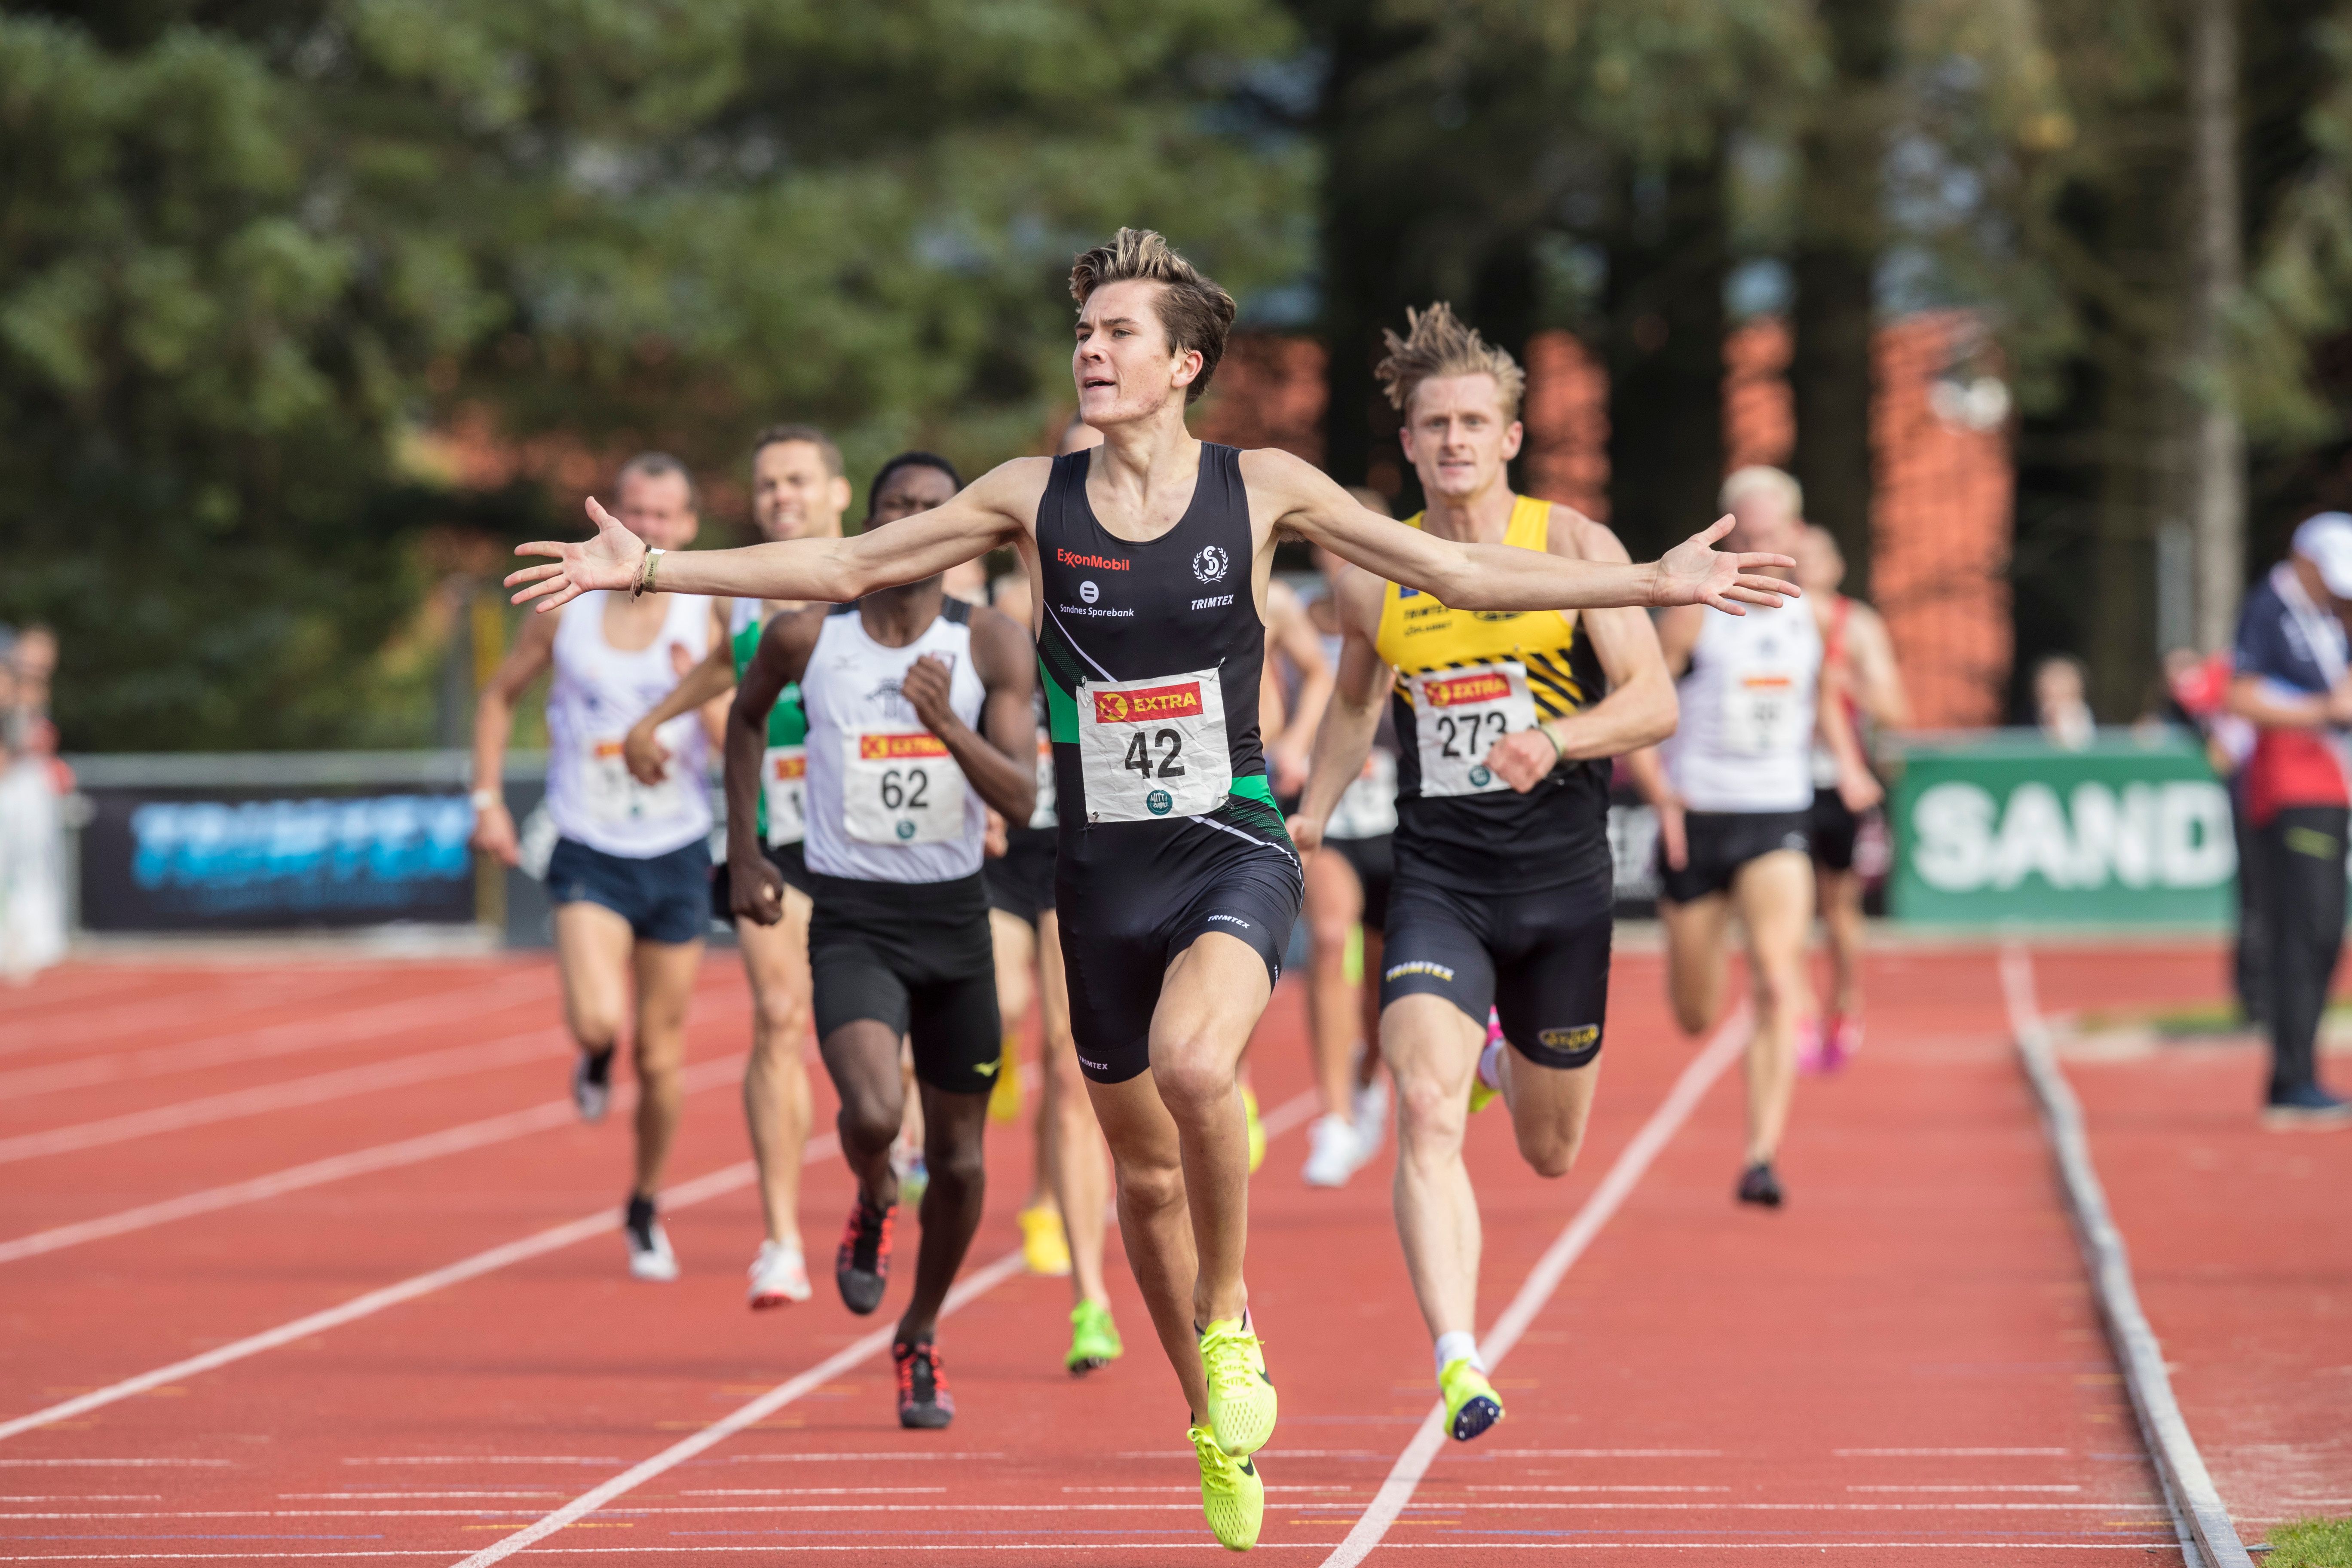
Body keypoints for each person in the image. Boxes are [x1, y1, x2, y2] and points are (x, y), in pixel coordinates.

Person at [505, 227, 1795, 1551]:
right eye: (1084, 333)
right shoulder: (1029, 496)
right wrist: (648, 567)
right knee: (1144, 1176)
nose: (1092, 351)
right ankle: (1205, 1417)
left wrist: (1652, 578)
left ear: (1185, 365)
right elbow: (842, 568)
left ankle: (1230, 1316)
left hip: (1232, 840)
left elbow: (1458, 570)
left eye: (1120, 334)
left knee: (1194, 1065)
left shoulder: (1261, 487)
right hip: (1101, 873)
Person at [1290, 303, 1678, 1445]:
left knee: (1552, 1153)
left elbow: (1652, 702)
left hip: (1562, 885)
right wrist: (1311, 814)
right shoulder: (1382, 572)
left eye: (1473, 423)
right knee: (1421, 1104)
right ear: (1409, 444)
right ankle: (1459, 1356)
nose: (1454, 440)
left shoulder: (1574, 549)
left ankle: (1505, 1062)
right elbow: (1355, 703)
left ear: (1510, 438)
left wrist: (1557, 739)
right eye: (1434, 425)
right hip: (1440, 882)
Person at [727, 450, 1040, 1427]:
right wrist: (743, 851)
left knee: (961, 1161)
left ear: (964, 533)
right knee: (871, 1112)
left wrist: (946, 722)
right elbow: (743, 721)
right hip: (853, 919)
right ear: (868, 525)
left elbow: (1021, 800)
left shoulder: (990, 643)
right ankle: (871, 1192)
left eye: (933, 510)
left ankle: (920, 1332)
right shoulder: (805, 636)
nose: (913, 523)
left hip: (955, 922)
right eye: (896, 507)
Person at [472, 452, 718, 1280]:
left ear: (687, 526)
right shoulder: (568, 608)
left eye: (664, 515)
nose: (646, 526)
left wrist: (697, 696)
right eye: (635, 510)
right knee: (597, 1020)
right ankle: (594, 1053)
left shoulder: (706, 614)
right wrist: (486, 800)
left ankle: (645, 1204)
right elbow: (498, 696)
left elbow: (735, 737)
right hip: (588, 842)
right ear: (613, 513)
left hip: (678, 847)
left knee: (662, 1055)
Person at [621, 426, 851, 1308]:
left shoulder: (873, 578)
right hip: (772, 836)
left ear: (838, 492)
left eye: (798, 480)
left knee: (883, 1042)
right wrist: (656, 718)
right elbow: (729, 663)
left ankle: (896, 1144)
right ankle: (782, 1241)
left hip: (877, 841)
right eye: (768, 484)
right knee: (779, 1015)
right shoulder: (743, 590)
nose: (782, 495)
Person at [1626, 466, 1877, 1210]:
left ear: (1794, 534)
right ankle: (1696, 971)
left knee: (1775, 974)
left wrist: (1850, 766)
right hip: (1699, 818)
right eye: (1746, 534)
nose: (1759, 547)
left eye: (1771, 532)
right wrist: (1660, 795)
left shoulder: (1815, 617)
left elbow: (1822, 697)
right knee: (1696, 1012)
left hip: (1777, 814)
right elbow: (1640, 700)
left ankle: (1760, 1156)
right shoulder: (1693, 615)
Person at [2224, 513, 2352, 1126]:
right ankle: (2293, 1078)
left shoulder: (2331, 615)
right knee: (2309, 928)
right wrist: (2324, 709)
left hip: (2331, 783)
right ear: (2305, 561)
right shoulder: (2270, 608)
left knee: (2323, 933)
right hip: (2293, 786)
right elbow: (2239, 695)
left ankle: (2297, 1075)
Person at [1298, 518, 1398, 1190]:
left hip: (1398, 821)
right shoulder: (1295, 625)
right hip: (1324, 817)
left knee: (1387, 988)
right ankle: (1333, 1116)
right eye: (1333, 547)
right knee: (1332, 938)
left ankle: (1367, 1074)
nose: (1344, 560)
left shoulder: (1408, 615)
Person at [1792, 526, 1908, 1072]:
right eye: (1795, 558)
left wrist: (1844, 684)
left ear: (1837, 567)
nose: (1804, 567)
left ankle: (1846, 999)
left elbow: (1896, 709)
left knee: (1839, 905)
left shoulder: (1856, 624)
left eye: (1815, 558)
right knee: (1788, 904)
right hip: (1778, 781)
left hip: (1839, 781)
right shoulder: (1766, 618)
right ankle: (1798, 1007)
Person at [2034, 655, 2097, 750]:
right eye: (2053, 683)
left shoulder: (2097, 718)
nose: (2058, 690)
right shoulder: (2028, 721)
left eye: (2063, 682)